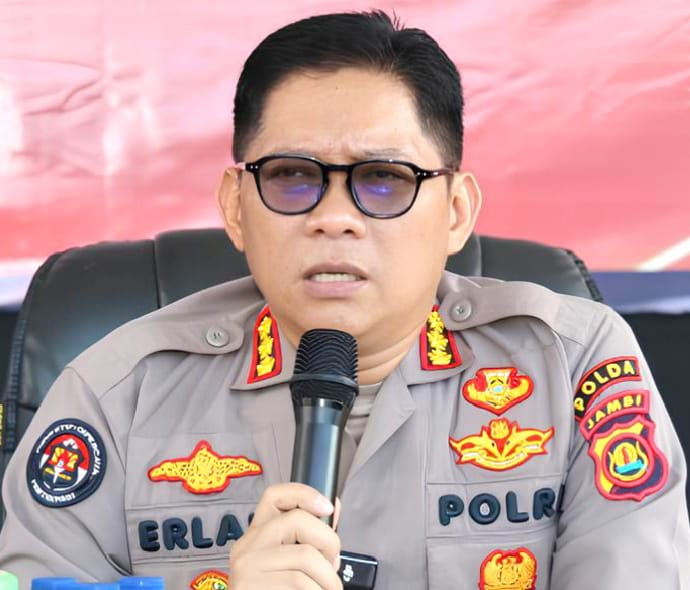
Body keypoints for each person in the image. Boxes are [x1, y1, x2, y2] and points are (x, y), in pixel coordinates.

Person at [0, 10, 688, 590]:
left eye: (384, 179)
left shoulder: (573, 364)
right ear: (236, 208)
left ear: (455, 212)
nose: (335, 218)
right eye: (292, 177)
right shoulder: (115, 394)